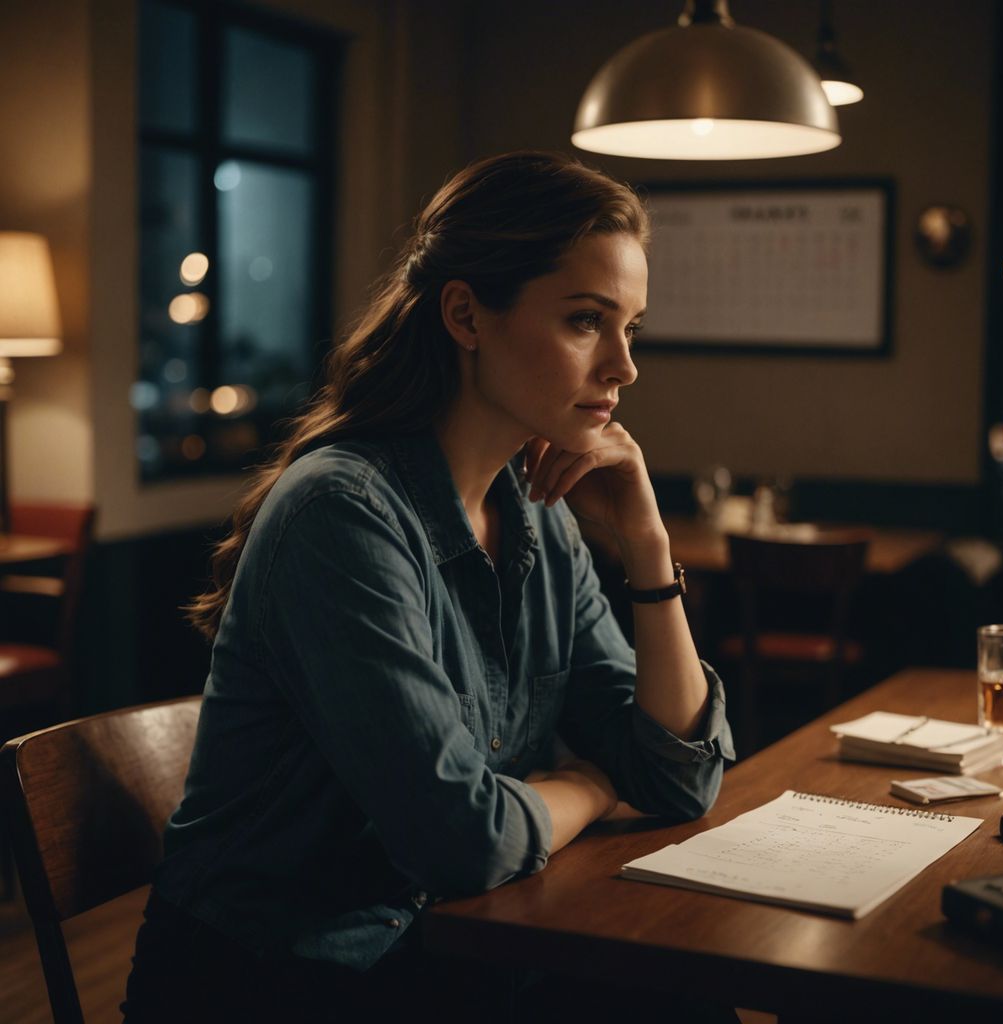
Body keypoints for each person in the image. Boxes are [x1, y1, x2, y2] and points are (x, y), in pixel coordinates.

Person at [122, 150, 736, 1023]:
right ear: (466, 314)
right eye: (585, 321)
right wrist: (597, 787)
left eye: (630, 327)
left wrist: (645, 542)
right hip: (283, 980)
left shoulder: (540, 513)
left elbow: (677, 778)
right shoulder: (340, 513)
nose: (623, 366)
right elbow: (464, 838)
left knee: (683, 997)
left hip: (445, 949)